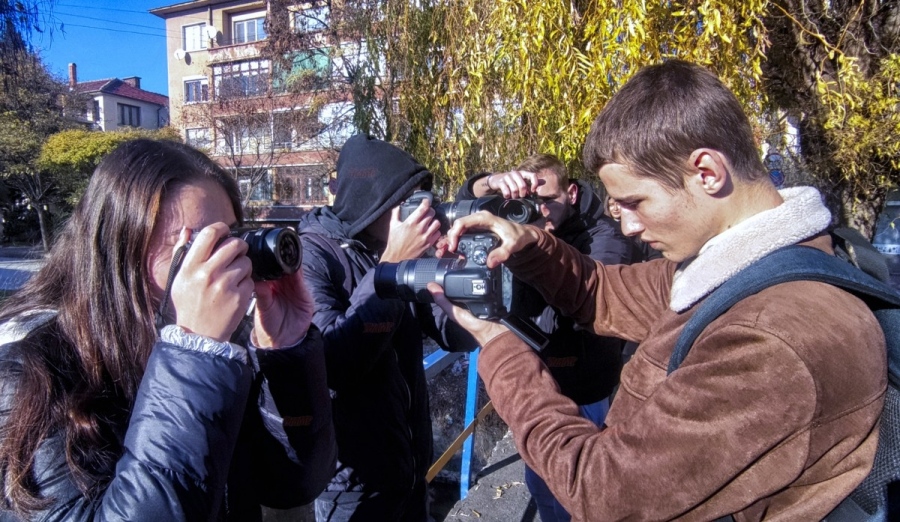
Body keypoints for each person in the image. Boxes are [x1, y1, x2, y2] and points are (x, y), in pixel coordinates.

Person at [427, 60, 885, 519]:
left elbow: (603, 491)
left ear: (706, 171)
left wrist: (499, 348)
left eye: (635, 202)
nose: (625, 225)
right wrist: (529, 246)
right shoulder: (734, 268)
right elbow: (602, 292)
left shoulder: (770, 337)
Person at [0, 139, 336, 521]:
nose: (224, 266)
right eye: (197, 248)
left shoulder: (225, 347)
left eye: (231, 241)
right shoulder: (30, 374)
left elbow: (292, 485)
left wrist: (285, 353)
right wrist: (192, 355)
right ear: (118, 255)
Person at [297, 134, 476, 521]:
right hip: (354, 488)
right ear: (371, 199)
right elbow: (334, 364)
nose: (417, 214)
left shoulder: (393, 250)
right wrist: (391, 267)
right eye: (405, 202)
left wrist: (455, 276)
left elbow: (454, 335)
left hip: (411, 467)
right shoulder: (312, 255)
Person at [457, 154, 631, 521]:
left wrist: (536, 244)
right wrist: (491, 182)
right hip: (538, 379)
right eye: (529, 202)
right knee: (540, 484)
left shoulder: (603, 234)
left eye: (547, 199)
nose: (540, 209)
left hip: (584, 381)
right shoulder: (522, 225)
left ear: (570, 193)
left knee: (581, 488)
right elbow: (463, 203)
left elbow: (587, 305)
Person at [605, 194, 661, 263]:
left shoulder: (639, 227)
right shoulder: (606, 230)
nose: (615, 208)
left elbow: (655, 256)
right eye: (611, 205)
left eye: (618, 204)